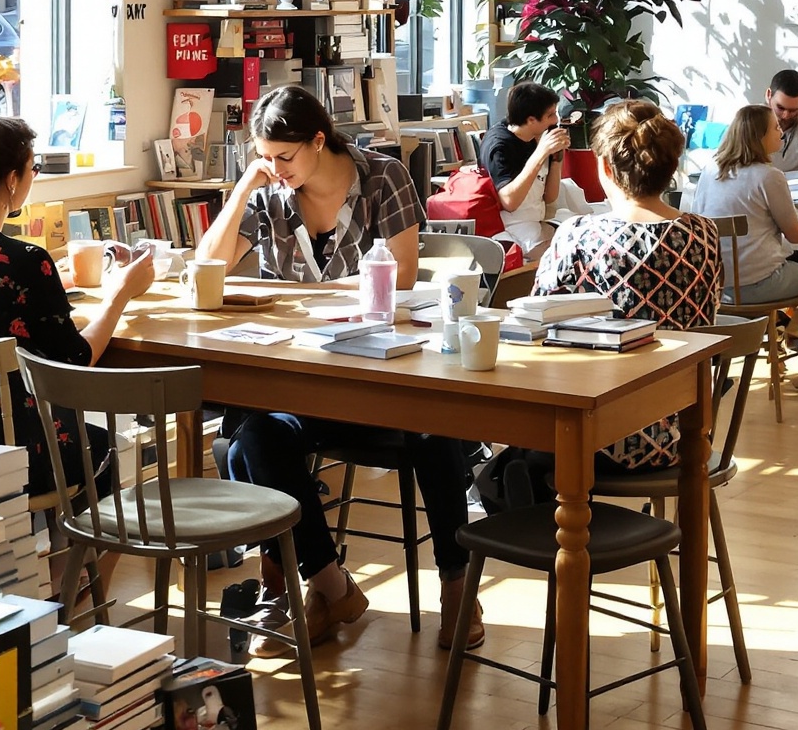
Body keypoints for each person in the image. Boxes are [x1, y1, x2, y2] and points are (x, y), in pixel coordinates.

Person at [195, 86, 481, 652]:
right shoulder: (269, 191)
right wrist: (244, 189)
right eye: (263, 157)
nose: (274, 168)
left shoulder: (383, 177)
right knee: (248, 438)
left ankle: (457, 586)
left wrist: (322, 295)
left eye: (284, 157)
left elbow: (401, 275)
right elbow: (209, 263)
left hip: (383, 378)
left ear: (318, 140)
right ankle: (326, 583)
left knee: (435, 431)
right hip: (305, 380)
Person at [0, 116, 156, 491]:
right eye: (32, 168)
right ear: (12, 179)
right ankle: (81, 551)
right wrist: (122, 291)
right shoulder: (26, 261)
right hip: (9, 452)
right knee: (102, 446)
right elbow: (76, 361)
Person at [524, 101, 720, 471]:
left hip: (603, 430)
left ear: (605, 168)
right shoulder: (704, 233)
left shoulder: (579, 236)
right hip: (688, 427)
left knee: (510, 464)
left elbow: (535, 322)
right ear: (671, 167)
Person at [684, 104, 798, 374]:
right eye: (775, 128)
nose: (781, 131)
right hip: (757, 281)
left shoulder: (710, 170)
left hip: (718, 285)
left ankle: (788, 331)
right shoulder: (768, 176)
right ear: (759, 137)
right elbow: (796, 233)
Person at [479, 81, 569, 263]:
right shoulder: (500, 146)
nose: (555, 120)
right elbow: (509, 202)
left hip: (538, 219)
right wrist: (541, 153)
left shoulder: (539, 136)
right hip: (512, 228)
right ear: (530, 120)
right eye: (550, 115)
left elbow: (550, 197)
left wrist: (557, 158)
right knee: (563, 254)